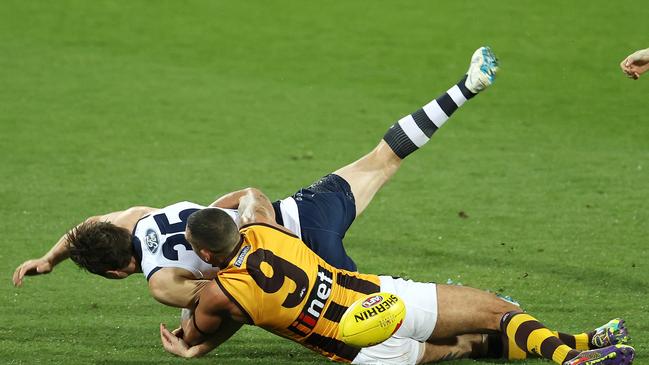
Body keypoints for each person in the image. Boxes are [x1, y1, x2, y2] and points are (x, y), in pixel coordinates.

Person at [13, 46, 498, 308]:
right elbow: (92, 220)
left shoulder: (160, 282)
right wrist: (50, 258)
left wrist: (191, 338)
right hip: (297, 209)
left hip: (298, 259)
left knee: (372, 305)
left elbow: (232, 304)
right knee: (382, 157)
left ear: (117, 271)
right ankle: (466, 86)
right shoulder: (141, 217)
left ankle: (481, 308)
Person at [160, 190, 635, 365]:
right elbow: (251, 193)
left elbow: (198, 333)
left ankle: (576, 348)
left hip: (354, 340)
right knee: (488, 320)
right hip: (375, 318)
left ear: (204, 253)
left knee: (482, 327)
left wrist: (191, 345)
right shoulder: (263, 225)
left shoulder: (218, 295)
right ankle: (574, 349)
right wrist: (225, 208)